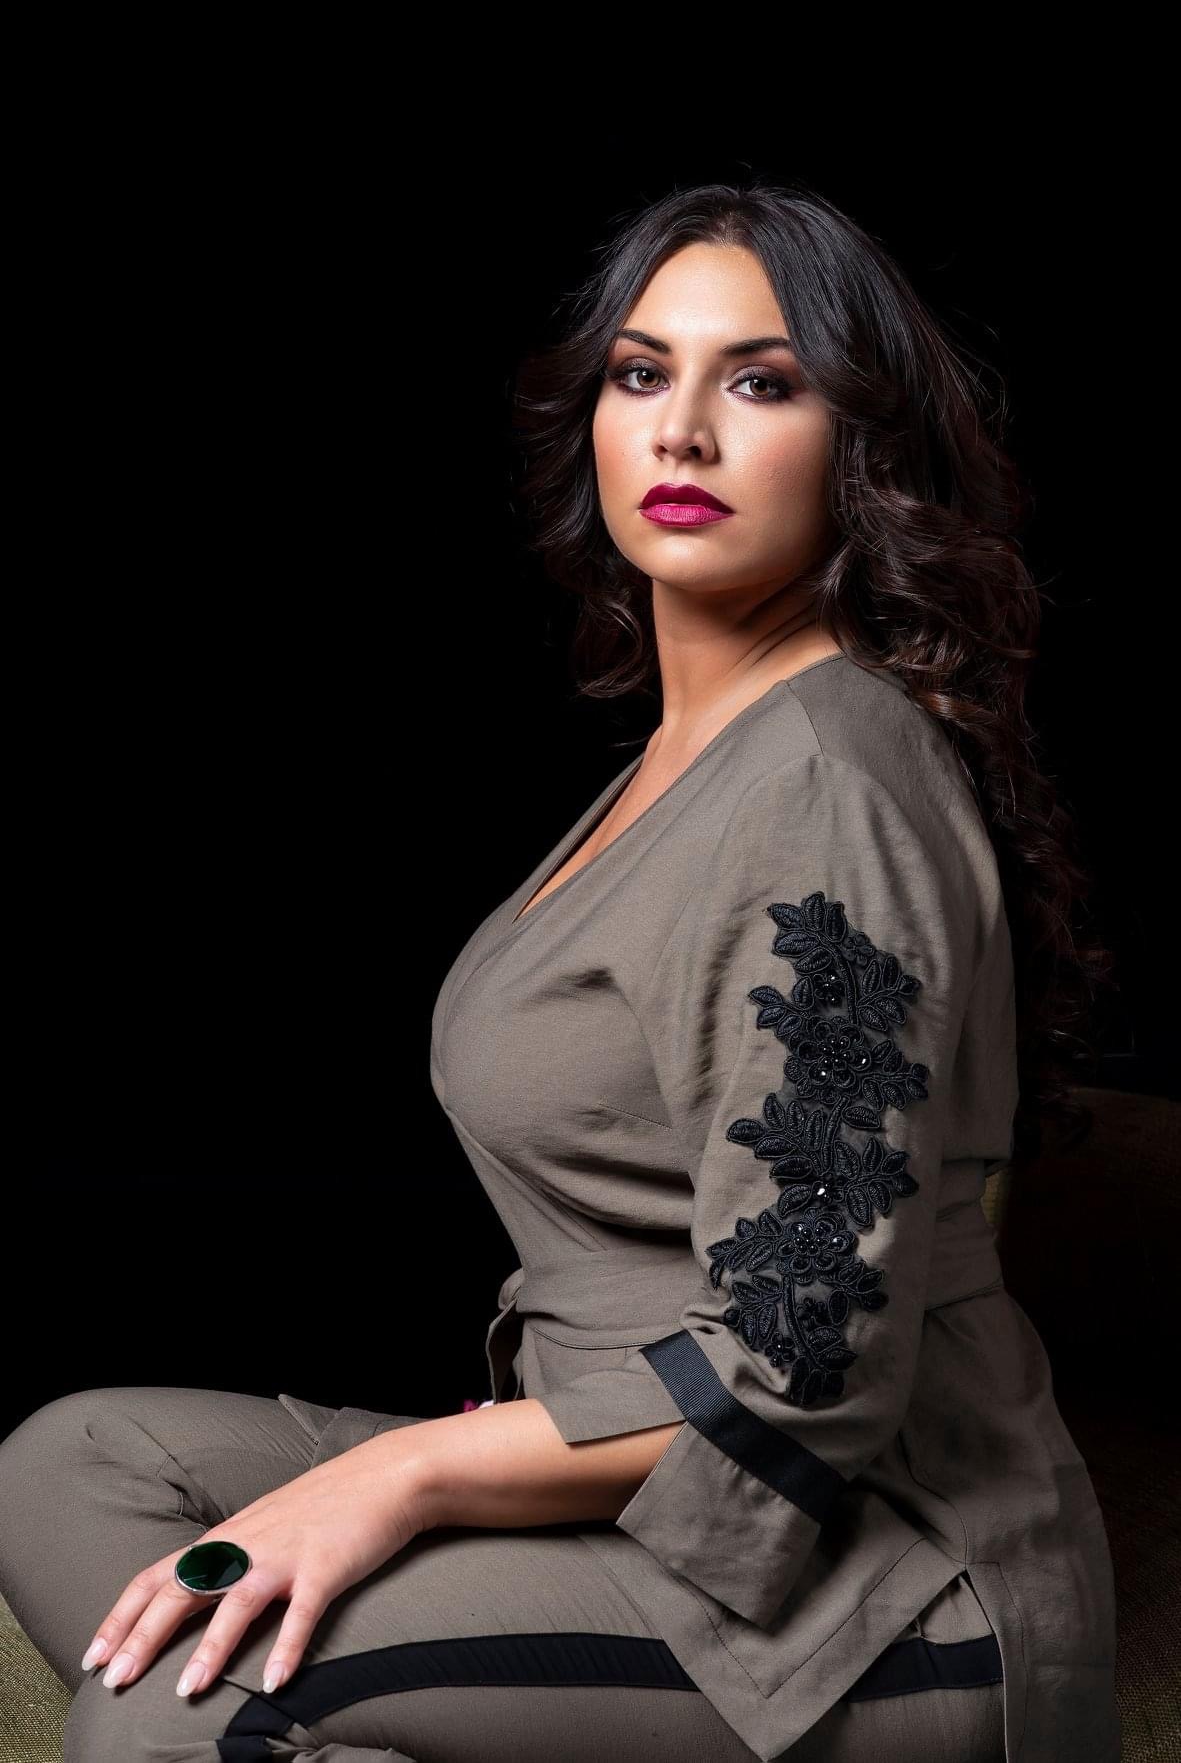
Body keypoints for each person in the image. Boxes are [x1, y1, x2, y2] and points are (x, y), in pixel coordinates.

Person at [0, 179, 1121, 1762]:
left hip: (872, 1580)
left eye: (762, 383)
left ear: (860, 446)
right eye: (641, 373)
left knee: (176, 1699)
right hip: (621, 1476)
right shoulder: (694, 749)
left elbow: (807, 1361)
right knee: (78, 1457)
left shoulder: (820, 783)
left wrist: (407, 1474)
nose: (682, 431)